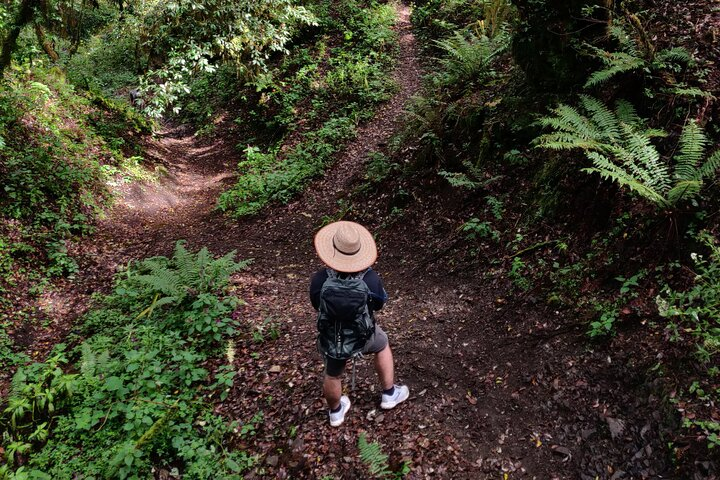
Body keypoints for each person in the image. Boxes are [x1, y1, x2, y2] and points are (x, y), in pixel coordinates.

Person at [310, 221, 409, 427]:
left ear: (332, 250)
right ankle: (389, 394)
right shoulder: (370, 279)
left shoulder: (320, 279)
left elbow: (315, 304)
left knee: (332, 373)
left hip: (333, 340)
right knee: (382, 343)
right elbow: (379, 304)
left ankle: (336, 413)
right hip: (363, 337)